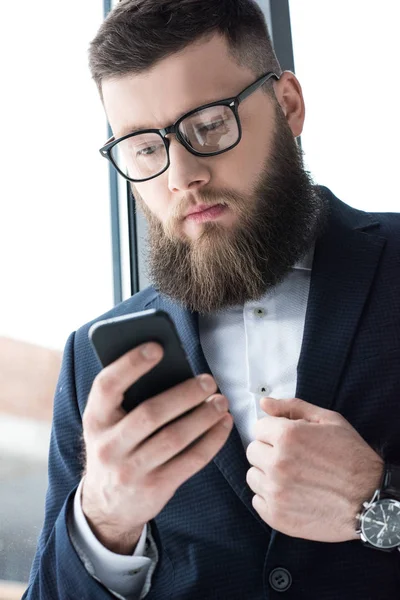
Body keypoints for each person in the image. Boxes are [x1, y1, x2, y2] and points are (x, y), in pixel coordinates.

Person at [23, 1, 400, 599]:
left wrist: (383, 505)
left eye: (209, 125)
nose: (181, 176)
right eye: (145, 147)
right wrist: (105, 521)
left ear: (288, 106)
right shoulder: (91, 364)